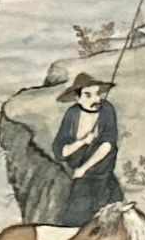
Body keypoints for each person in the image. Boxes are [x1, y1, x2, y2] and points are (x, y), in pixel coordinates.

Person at [45, 70, 124, 227]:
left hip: (102, 179)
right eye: (88, 95)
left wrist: (84, 169)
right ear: (78, 98)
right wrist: (82, 142)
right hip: (80, 182)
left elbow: (107, 145)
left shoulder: (107, 110)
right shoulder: (72, 114)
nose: (95, 99)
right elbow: (61, 151)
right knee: (75, 221)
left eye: (97, 94)